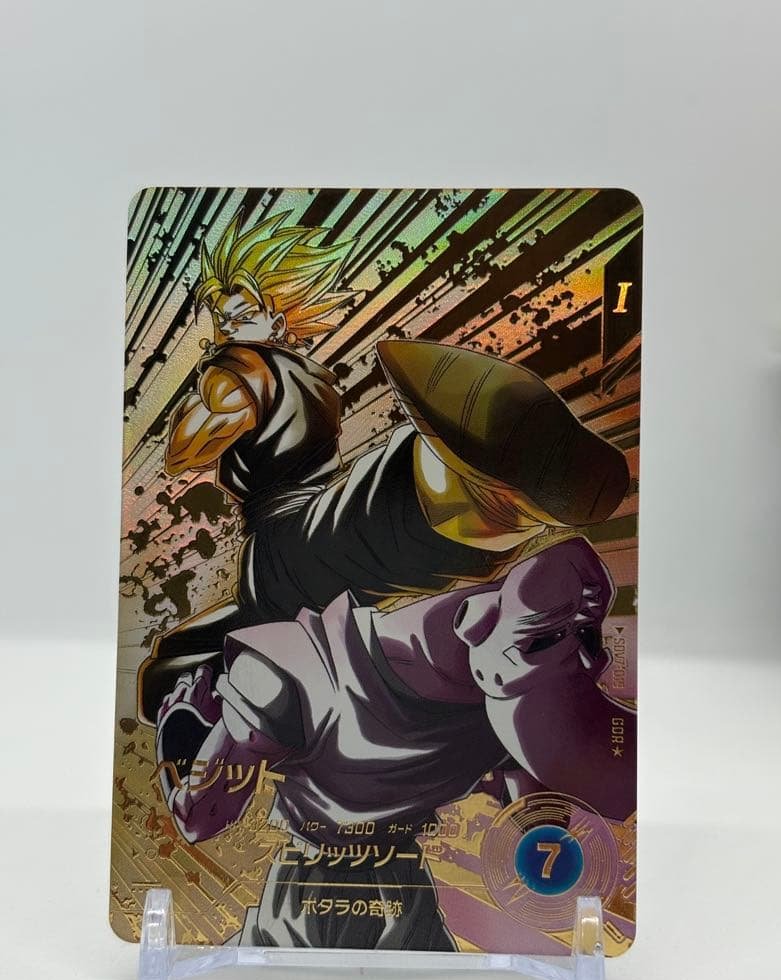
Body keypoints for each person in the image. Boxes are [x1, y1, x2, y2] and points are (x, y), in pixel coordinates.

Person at [138, 209, 630, 727]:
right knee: (372, 551)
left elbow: (182, 452)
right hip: (331, 541)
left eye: (236, 318)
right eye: (221, 319)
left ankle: (495, 503)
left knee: (365, 543)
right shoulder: (317, 382)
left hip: (292, 547)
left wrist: (214, 366)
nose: (226, 330)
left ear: (276, 322)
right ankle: (504, 508)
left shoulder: (243, 368)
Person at [154, 537, 636, 950]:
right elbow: (199, 820)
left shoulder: (504, 709)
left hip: (405, 900)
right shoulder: (297, 674)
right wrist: (179, 730)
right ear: (478, 623)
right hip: (306, 901)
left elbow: (536, 822)